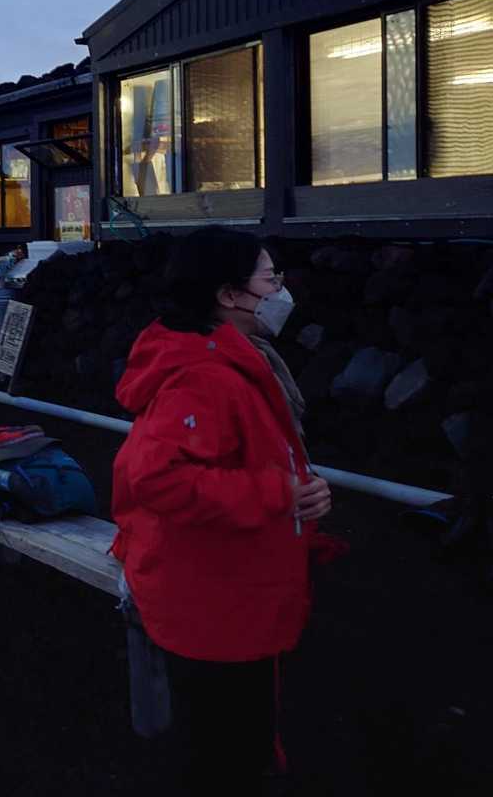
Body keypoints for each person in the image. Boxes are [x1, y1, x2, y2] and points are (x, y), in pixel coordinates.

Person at [112, 227, 333, 794]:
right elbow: (158, 477)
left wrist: (300, 491)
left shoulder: (233, 358)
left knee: (230, 737)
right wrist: (278, 493)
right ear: (229, 294)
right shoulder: (205, 375)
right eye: (271, 279)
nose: (281, 290)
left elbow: (248, 457)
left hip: (222, 589)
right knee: (222, 751)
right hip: (213, 601)